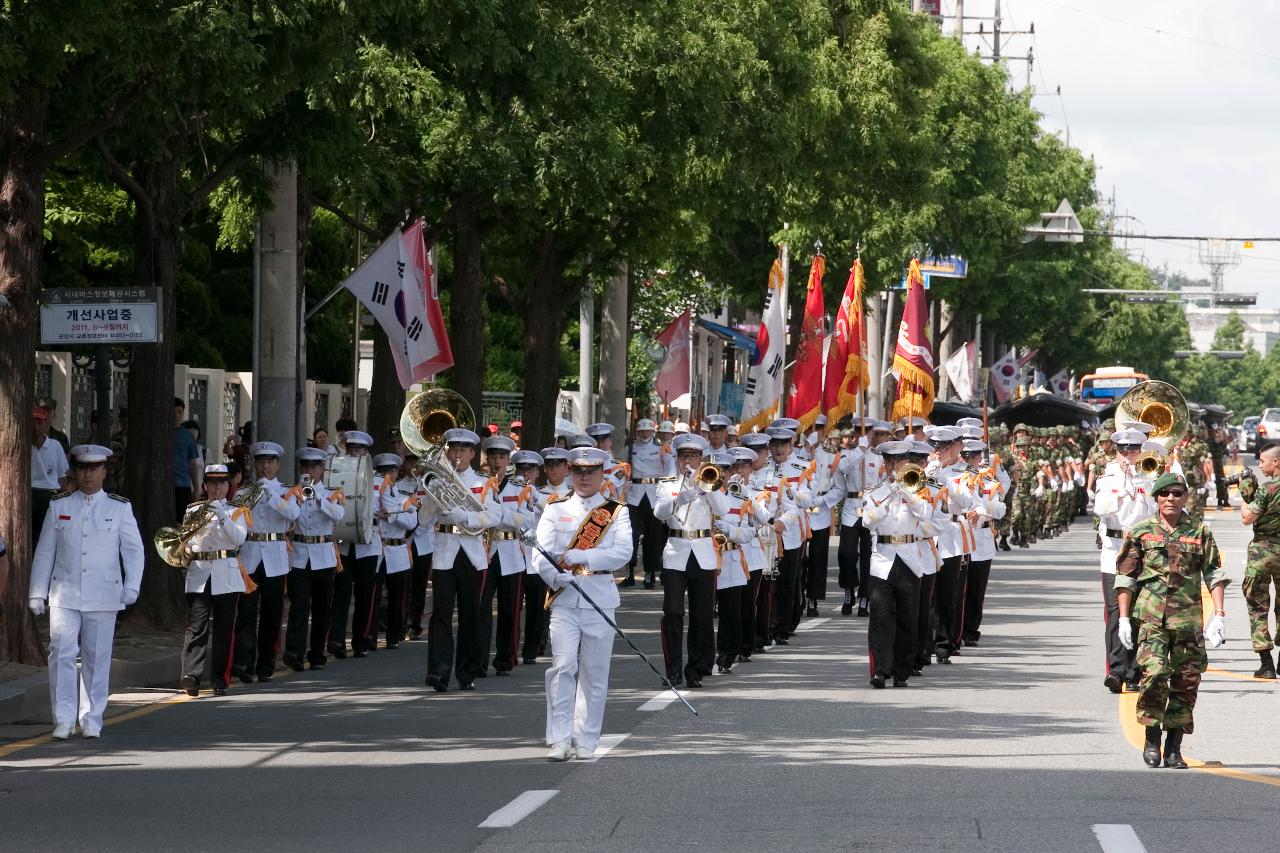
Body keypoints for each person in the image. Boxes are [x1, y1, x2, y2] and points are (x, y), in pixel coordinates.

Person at [29, 445, 145, 738]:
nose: (88, 473)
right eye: (82, 467)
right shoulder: (60, 506)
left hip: (104, 593)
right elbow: (45, 552)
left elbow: (134, 550)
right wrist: (36, 592)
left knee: (96, 656)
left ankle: (92, 716)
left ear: (105, 471)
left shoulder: (119, 507)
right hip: (64, 593)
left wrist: (132, 584)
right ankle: (64, 718)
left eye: (94, 468)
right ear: (75, 471)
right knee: (62, 653)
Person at [1115, 472, 1226, 769]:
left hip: (1188, 620)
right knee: (1153, 675)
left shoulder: (1199, 531)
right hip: (1151, 618)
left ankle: (1174, 746)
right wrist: (1124, 619)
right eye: (1165, 494)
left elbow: (1214, 573)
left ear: (1186, 497)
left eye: (1177, 493)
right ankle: (1152, 738)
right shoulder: (1141, 531)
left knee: (1186, 682)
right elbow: (1125, 577)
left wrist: (1219, 615)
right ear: (1156, 498)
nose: (1171, 499)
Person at [531, 446, 633, 760]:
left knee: (594, 672)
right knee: (562, 667)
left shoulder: (616, 511)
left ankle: (586, 739)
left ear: (602, 473)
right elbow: (540, 553)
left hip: (599, 597)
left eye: (591, 471)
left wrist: (582, 556)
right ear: (571, 472)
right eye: (578, 471)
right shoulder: (554, 507)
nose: (584, 477)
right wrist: (556, 577)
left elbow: (623, 553)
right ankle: (559, 739)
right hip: (564, 599)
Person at [422, 428, 500, 692]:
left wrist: (465, 517)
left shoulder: (483, 482)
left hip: (472, 553)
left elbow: (493, 517)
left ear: (472, 453)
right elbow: (423, 521)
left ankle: (467, 672)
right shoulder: (438, 479)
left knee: (471, 614)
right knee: (440, 614)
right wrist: (432, 496)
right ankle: (439, 670)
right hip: (444, 552)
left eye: (463, 450)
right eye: (453, 449)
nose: (457, 455)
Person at [653, 433, 724, 688]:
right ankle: (672, 669)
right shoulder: (667, 483)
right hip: (676, 550)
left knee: (701, 615)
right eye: (684, 456)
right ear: (677, 458)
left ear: (701, 458)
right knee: (672, 611)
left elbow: (724, 510)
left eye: (693, 456)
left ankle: (695, 669)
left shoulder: (710, 479)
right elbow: (659, 513)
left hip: (703, 552)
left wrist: (707, 488)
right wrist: (681, 496)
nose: (688, 461)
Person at [860, 440, 932, 688]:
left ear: (906, 463)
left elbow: (926, 515)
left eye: (898, 461)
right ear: (884, 463)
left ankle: (901, 670)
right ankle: (880, 670)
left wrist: (906, 493)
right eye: (889, 461)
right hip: (882, 558)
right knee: (880, 618)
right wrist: (889, 497)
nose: (893, 466)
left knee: (907, 619)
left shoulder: (917, 489)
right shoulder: (875, 492)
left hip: (909, 558)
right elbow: (868, 522)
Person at [179, 464, 251, 697]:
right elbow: (188, 541)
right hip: (200, 571)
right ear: (205, 486)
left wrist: (221, 514)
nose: (216, 488)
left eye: (221, 483)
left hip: (226, 573)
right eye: (212, 483)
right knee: (196, 626)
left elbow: (238, 538)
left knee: (224, 628)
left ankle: (220, 677)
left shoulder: (237, 511)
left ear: (228, 485)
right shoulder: (193, 510)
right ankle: (192, 676)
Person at [1093, 428, 1156, 694]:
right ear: (1116, 451)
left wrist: (1141, 486)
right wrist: (1122, 492)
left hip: (1140, 550)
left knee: (1138, 613)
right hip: (1114, 549)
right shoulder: (1107, 478)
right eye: (1123, 450)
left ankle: (1135, 672)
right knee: (1115, 612)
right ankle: (1116, 672)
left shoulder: (1150, 476)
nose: (1127, 455)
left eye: (1132, 450)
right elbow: (1100, 508)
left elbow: (1156, 510)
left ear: (1140, 451)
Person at [233, 441, 300, 683]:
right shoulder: (243, 492)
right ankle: (244, 662)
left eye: (270, 462)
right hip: (250, 554)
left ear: (277, 465)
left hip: (274, 555)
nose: (265, 467)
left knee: (272, 612)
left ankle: (266, 664)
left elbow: (293, 514)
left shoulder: (286, 491)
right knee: (247, 612)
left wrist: (270, 495)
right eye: (261, 462)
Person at [283, 447, 347, 671]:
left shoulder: (332, 492)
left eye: (314, 467)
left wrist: (318, 497)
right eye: (306, 467)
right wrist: (299, 498)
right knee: (299, 605)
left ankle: (317, 654)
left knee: (322, 608)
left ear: (321, 469)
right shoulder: (293, 493)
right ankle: (294, 652)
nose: (310, 471)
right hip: (299, 553)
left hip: (323, 555)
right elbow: (288, 516)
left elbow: (339, 516)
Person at [329, 430, 380, 658]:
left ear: (366, 453)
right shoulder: (336, 476)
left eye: (359, 451)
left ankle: (361, 640)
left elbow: (379, 509)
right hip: (343, 544)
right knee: (340, 594)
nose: (354, 454)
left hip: (368, 545)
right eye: (351, 450)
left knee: (364, 596)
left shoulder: (378, 481)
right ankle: (337, 640)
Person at [477, 435, 523, 675]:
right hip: (484, 552)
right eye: (492, 456)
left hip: (510, 552)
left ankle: (505, 659)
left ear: (508, 461)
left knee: (510, 609)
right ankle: (479, 660)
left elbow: (528, 521)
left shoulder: (519, 488)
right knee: (481, 608)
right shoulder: (478, 486)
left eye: (501, 457)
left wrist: (501, 515)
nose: (496, 462)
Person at [834, 421, 889, 617]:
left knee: (868, 557)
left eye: (879, 434)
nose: (874, 437)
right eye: (862, 432)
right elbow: (843, 469)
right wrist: (861, 450)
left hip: (871, 507)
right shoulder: (849, 454)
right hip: (851, 507)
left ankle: (865, 598)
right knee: (846, 554)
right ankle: (849, 591)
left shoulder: (882, 458)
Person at [1238, 442, 1280, 679]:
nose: (1261, 465)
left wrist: (1244, 495)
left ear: (1276, 462)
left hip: (1263, 552)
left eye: (1263, 461)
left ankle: (1266, 664)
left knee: (1257, 607)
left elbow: (1248, 517)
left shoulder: (1267, 488)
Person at [369, 452, 418, 650]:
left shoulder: (404, 497)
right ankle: (370, 636)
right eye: (383, 472)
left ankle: (394, 634)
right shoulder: (372, 495)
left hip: (397, 547)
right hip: (378, 547)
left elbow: (413, 521)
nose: (388, 475)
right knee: (374, 594)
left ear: (397, 472)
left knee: (398, 596)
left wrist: (392, 515)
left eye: (391, 471)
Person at [625, 418, 676, 589]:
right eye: (642, 431)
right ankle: (629, 571)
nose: (645, 433)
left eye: (648, 431)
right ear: (637, 432)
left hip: (654, 493)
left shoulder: (662, 449)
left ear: (653, 432)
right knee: (630, 534)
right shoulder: (629, 449)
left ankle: (650, 572)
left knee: (653, 535)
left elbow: (670, 468)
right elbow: (622, 469)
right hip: (634, 494)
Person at [402, 451, 434, 641]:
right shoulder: (398, 486)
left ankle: (415, 623)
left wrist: (417, 522)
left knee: (420, 585)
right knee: (406, 583)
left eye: (416, 463)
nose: (412, 467)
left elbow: (434, 513)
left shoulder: (430, 485)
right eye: (409, 462)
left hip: (423, 540)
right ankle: (402, 621)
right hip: (406, 541)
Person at [31, 403, 70, 546]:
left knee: (45, 539)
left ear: (47, 424)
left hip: (49, 495)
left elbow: (62, 479)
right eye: (34, 422)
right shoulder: (22, 444)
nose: (37, 426)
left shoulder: (55, 445)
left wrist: (63, 503)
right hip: (28, 494)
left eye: (40, 422)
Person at [173, 399, 202, 522]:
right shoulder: (160, 433)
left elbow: (192, 463)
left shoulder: (187, 436)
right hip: (163, 484)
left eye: (179, 412)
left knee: (180, 521)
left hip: (182, 485)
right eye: (174, 412)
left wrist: (196, 487)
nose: (176, 415)